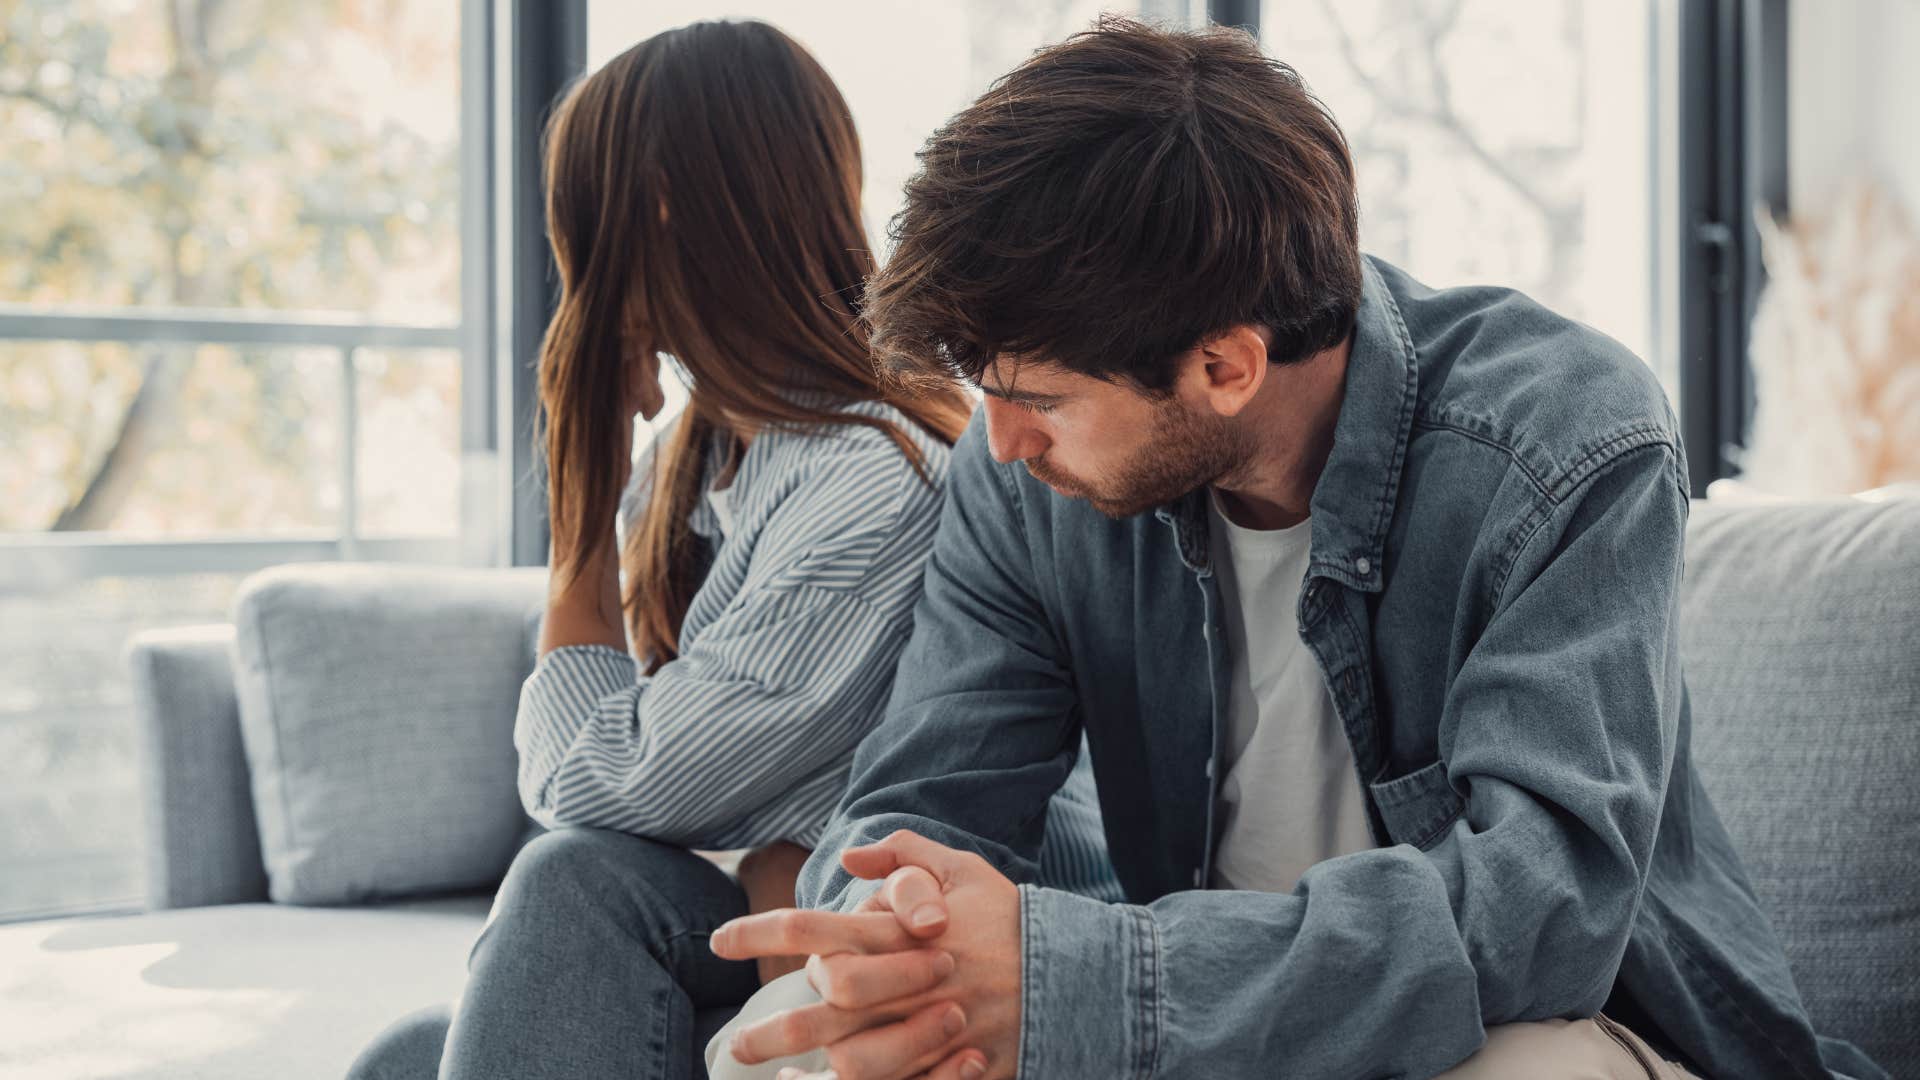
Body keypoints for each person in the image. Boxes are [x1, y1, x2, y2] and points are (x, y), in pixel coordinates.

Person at [703, 17, 1887, 1080]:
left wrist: (1097, 983)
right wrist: (905, 932)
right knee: (798, 1042)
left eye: (1037, 399)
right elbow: (924, 795)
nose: (999, 443)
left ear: (1226, 364)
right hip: (1212, 1032)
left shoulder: (1565, 437)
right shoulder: (1021, 485)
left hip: (1556, 1031)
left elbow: (1543, 919)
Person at [346, 20, 1117, 1080]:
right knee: (404, 1059)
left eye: (577, 217)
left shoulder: (871, 477)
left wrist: (578, 517)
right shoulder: (693, 456)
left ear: (656, 212)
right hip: (795, 925)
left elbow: (605, 781)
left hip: (949, 962)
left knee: (576, 882)